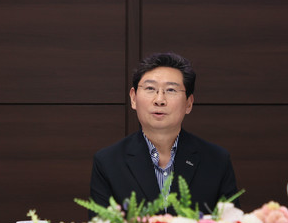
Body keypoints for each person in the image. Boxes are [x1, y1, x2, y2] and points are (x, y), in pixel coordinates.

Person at [90, 52, 238, 213]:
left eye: (171, 90)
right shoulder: (108, 162)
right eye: (150, 88)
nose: (159, 100)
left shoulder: (217, 160)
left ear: (188, 103)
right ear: (133, 98)